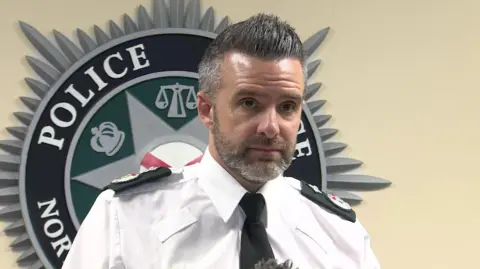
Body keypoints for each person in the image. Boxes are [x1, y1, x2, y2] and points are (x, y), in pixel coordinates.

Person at [61, 13, 381, 269]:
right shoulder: (123, 218)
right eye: (249, 103)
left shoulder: (340, 233)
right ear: (206, 109)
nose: (271, 127)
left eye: (287, 107)